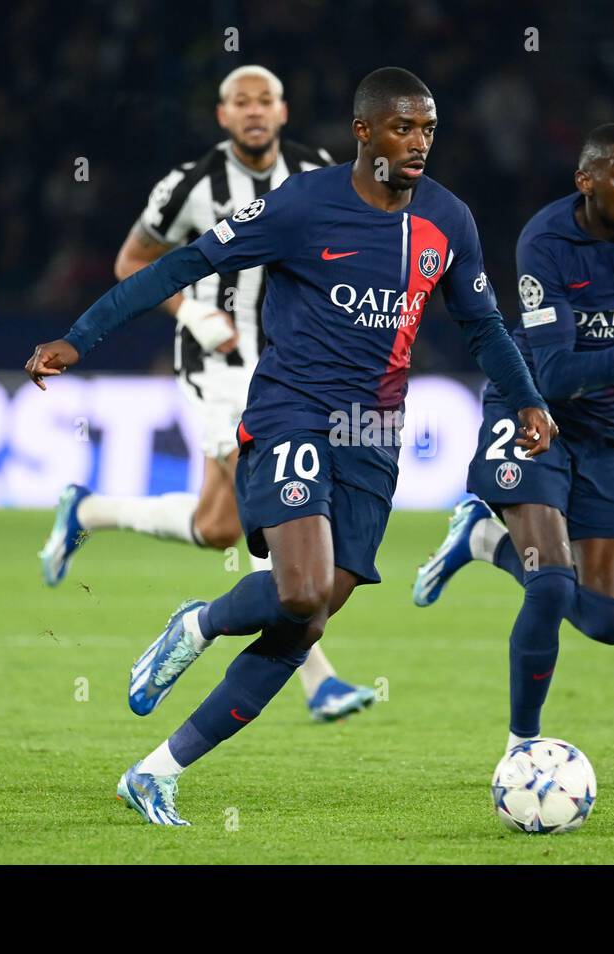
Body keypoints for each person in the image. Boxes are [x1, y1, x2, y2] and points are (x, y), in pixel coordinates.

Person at [24, 67, 557, 825]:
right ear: (364, 131)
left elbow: (482, 326)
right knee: (300, 589)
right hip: (291, 413)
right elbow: (182, 263)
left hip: (374, 437)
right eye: (403, 128)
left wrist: (530, 398)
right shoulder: (303, 206)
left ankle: (155, 771)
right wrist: (81, 338)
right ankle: (200, 624)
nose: (418, 143)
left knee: (305, 621)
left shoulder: (449, 219)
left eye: (429, 130)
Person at [37, 65, 374, 723]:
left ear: (284, 111)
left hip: (289, 361)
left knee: (219, 527)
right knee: (275, 499)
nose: (253, 111)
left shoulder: (322, 171)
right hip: (214, 366)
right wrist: (192, 313)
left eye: (265, 100)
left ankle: (89, 512)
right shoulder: (187, 186)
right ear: (222, 116)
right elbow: (133, 261)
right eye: (240, 102)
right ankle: (320, 678)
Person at [413, 124, 614, 753]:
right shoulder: (547, 241)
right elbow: (553, 376)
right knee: (553, 581)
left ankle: (483, 540)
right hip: (531, 411)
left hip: (608, 431)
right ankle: (521, 749)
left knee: (613, 621)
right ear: (586, 183)